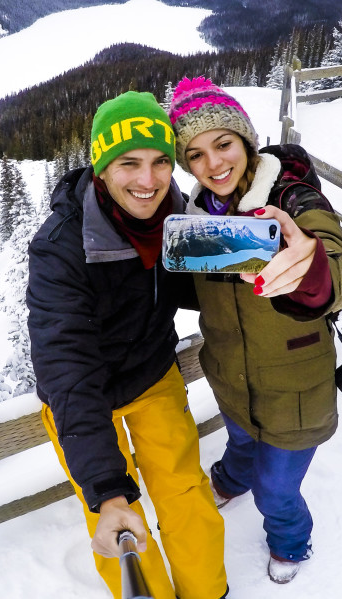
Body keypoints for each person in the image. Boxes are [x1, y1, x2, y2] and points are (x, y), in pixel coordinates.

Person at [26, 91, 228, 599]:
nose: (149, 180)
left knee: (185, 493)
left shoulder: (176, 219)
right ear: (100, 166)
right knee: (117, 515)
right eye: (129, 163)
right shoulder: (61, 249)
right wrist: (106, 489)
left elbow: (210, 284)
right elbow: (66, 368)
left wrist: (276, 254)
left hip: (152, 375)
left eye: (161, 161)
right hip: (84, 400)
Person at [167, 76, 342, 585]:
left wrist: (312, 268)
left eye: (223, 144)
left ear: (246, 142)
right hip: (231, 381)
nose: (213, 164)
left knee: (277, 489)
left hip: (296, 393)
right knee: (240, 442)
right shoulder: (197, 220)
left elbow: (335, 266)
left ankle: (291, 541)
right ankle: (231, 479)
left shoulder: (289, 197)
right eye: (195, 154)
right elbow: (199, 292)